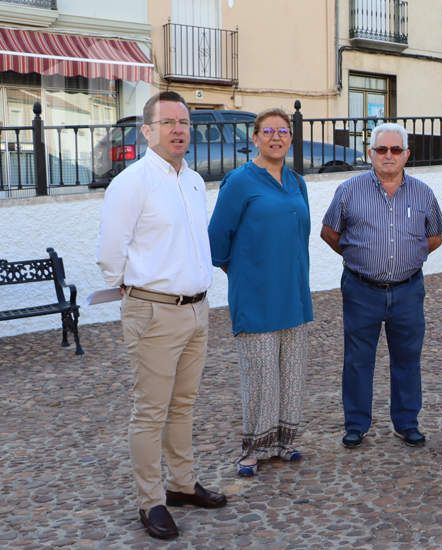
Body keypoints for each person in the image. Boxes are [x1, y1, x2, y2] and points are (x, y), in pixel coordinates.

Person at [96, 91, 226, 541]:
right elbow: (111, 251)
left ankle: (182, 485)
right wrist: (133, 287)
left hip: (196, 310)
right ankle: (150, 500)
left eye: (184, 123)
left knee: (184, 404)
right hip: (153, 311)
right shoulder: (132, 183)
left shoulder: (191, 180)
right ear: (147, 130)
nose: (178, 130)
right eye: (168, 122)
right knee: (151, 410)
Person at [321, 122, 442, 449]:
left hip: (408, 290)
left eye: (395, 150)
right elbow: (330, 233)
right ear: (370, 154)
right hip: (361, 289)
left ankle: (406, 422)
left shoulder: (423, 193)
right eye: (381, 150)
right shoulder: (349, 191)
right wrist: (361, 258)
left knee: (408, 358)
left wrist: (408, 259)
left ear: (407, 154)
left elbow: (434, 237)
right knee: (357, 359)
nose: (388, 156)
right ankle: (356, 424)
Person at [208, 108, 314, 477]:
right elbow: (217, 239)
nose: (276, 137)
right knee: (261, 375)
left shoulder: (297, 182)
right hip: (255, 295)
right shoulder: (239, 182)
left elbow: (303, 233)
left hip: (294, 293)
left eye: (283, 131)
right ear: (255, 138)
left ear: (290, 138)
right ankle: (254, 449)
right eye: (267, 131)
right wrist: (243, 272)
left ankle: (284, 441)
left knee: (291, 372)